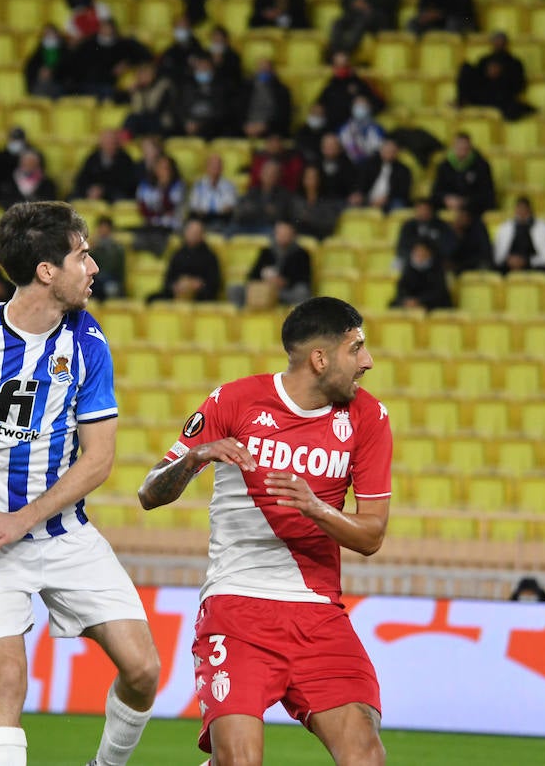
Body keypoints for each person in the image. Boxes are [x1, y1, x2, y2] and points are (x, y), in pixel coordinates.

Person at [0, 202, 160, 766]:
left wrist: (23, 517)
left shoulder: (88, 342)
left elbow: (99, 460)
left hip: (62, 534)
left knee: (143, 670)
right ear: (47, 270)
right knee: (8, 680)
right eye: (81, 255)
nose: (93, 267)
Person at [137, 296, 391, 766]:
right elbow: (149, 492)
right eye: (356, 349)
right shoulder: (234, 400)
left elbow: (372, 535)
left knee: (366, 756)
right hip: (237, 610)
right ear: (321, 358)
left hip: (319, 615)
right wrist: (194, 459)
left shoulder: (368, 418)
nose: (367, 362)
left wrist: (315, 508)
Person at [231, 219, 313, 308]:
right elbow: (252, 276)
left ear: (293, 235)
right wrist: (266, 280)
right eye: (280, 233)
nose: (282, 236)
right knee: (235, 289)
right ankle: (245, 318)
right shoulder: (266, 252)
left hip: (285, 293)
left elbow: (305, 279)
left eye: (286, 234)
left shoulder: (302, 254)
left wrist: (285, 281)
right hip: (264, 291)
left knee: (302, 292)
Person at [455, 31, 532, 121]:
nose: (498, 43)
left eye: (501, 41)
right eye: (496, 41)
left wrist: (501, 75)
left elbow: (519, 84)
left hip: (502, 96)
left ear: (506, 43)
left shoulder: (515, 62)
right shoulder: (484, 60)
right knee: (466, 67)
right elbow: (477, 78)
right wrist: (488, 74)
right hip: (483, 94)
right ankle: (461, 101)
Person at [148, 217, 222, 303]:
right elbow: (168, 280)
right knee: (152, 299)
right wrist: (175, 286)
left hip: (199, 296)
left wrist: (199, 284)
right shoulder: (178, 254)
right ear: (185, 233)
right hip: (177, 293)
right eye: (192, 232)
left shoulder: (210, 256)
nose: (194, 235)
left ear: (203, 235)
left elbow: (214, 283)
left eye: (197, 232)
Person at [429, 133, 495, 214]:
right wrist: (446, 199)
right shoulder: (444, 166)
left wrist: (464, 202)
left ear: (470, 148)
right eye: (459, 147)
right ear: (453, 147)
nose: (462, 151)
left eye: (465, 148)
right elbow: (436, 192)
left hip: (473, 210)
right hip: (448, 206)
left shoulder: (481, 166)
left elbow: (487, 194)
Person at [316, 52, 385, 129]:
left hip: (359, 128)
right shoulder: (330, 86)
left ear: (349, 64)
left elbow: (380, 104)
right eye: (337, 65)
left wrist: (367, 103)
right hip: (334, 128)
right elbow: (319, 106)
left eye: (343, 65)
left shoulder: (360, 83)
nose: (341, 68)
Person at [493, 196, 545, 276]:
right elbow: (498, 256)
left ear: (530, 210)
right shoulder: (505, 228)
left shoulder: (543, 227)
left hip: (534, 264)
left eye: (524, 209)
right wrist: (510, 260)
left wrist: (526, 261)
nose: (521, 212)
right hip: (509, 264)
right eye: (519, 208)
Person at [74, 129, 139, 202]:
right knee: (73, 198)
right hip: (93, 193)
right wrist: (89, 190)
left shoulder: (125, 159)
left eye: (112, 140)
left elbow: (128, 184)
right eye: (106, 140)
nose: (109, 143)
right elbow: (82, 179)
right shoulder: (93, 157)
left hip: (114, 195)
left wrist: (103, 190)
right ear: (101, 142)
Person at [357, 138, 412, 213]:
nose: (389, 153)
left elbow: (403, 192)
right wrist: (359, 194)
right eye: (386, 151)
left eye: (392, 151)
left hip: (390, 200)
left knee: (398, 205)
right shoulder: (369, 165)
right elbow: (360, 183)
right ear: (381, 151)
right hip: (368, 198)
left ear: (397, 153)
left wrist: (386, 198)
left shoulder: (404, 170)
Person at [392, 240, 451, 310]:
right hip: (410, 304)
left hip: (432, 305)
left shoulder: (437, 269)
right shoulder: (409, 268)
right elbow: (402, 289)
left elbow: (438, 293)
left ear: (429, 253)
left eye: (422, 251)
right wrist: (407, 301)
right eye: (417, 251)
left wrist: (419, 301)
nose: (419, 254)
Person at [186, 152, 239, 229]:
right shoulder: (198, 185)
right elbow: (194, 205)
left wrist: (208, 210)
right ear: (207, 167)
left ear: (222, 168)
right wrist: (202, 211)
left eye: (218, 165)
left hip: (222, 219)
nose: (215, 168)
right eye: (212, 165)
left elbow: (228, 207)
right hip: (201, 218)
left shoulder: (229, 186)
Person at [89, 215, 127, 301]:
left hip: (112, 280)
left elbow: (113, 268)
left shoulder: (117, 248)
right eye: (101, 228)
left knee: (108, 288)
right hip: (96, 280)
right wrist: (92, 250)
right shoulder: (93, 247)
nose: (103, 231)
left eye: (105, 228)